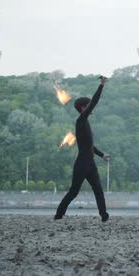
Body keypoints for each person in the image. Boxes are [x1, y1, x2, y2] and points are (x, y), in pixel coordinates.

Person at [55, 76, 110, 222]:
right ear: (83, 108)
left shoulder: (85, 124)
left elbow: (89, 145)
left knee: (98, 190)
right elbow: (95, 102)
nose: (91, 107)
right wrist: (101, 85)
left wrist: (102, 155)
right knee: (74, 192)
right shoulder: (80, 121)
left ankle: (104, 216)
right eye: (88, 105)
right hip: (81, 164)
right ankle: (58, 215)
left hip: (90, 163)